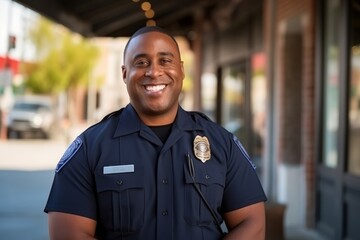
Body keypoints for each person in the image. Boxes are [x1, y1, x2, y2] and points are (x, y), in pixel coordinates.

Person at [44, 26, 267, 240]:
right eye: (141, 62)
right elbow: (67, 234)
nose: (154, 71)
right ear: (124, 73)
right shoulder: (90, 147)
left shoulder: (222, 143)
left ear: (181, 69)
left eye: (165, 61)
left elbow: (252, 224)